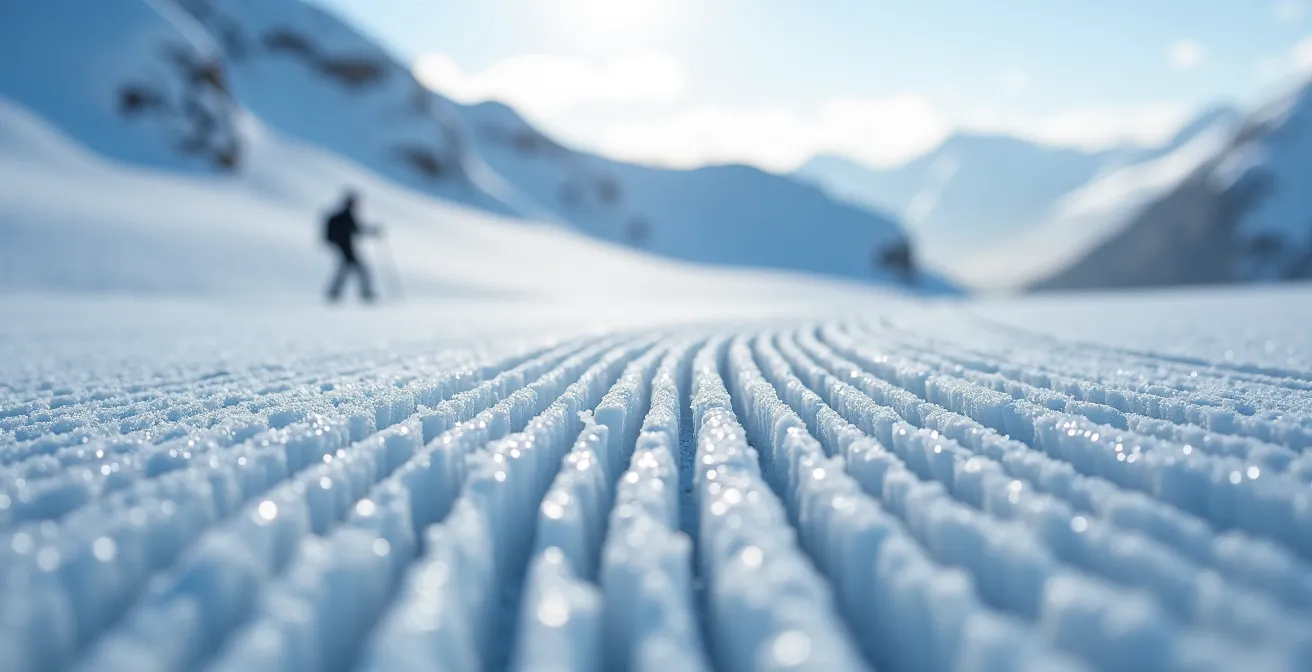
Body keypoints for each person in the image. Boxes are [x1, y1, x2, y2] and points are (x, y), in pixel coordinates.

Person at [323, 190, 379, 302]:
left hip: (344, 247)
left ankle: (334, 292)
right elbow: (358, 229)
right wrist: (373, 231)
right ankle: (365, 293)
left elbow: (356, 229)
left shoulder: (343, 215)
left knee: (346, 269)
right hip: (346, 247)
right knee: (360, 269)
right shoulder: (346, 215)